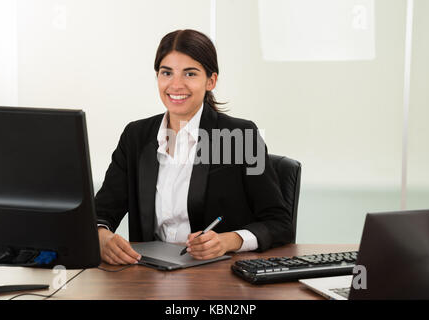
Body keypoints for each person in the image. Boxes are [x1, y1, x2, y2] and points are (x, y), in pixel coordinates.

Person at [95, 29, 293, 265]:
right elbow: (101, 212)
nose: (176, 85)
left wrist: (229, 241)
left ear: (211, 81)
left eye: (190, 73)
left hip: (217, 277)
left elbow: (280, 223)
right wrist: (100, 236)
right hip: (147, 274)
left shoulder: (240, 136)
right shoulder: (135, 136)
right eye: (166, 73)